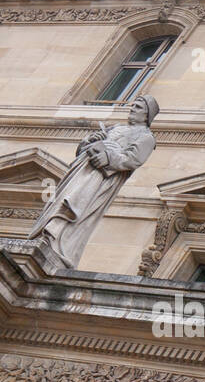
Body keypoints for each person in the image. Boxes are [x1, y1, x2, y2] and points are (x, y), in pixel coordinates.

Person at [30, 94, 158, 268]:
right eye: (132, 105)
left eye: (138, 107)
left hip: (101, 177)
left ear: (147, 115)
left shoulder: (146, 136)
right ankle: (47, 234)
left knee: (77, 204)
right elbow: (83, 148)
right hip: (83, 168)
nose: (132, 108)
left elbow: (132, 159)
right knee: (62, 198)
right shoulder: (116, 127)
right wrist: (89, 141)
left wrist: (108, 157)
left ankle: (57, 241)